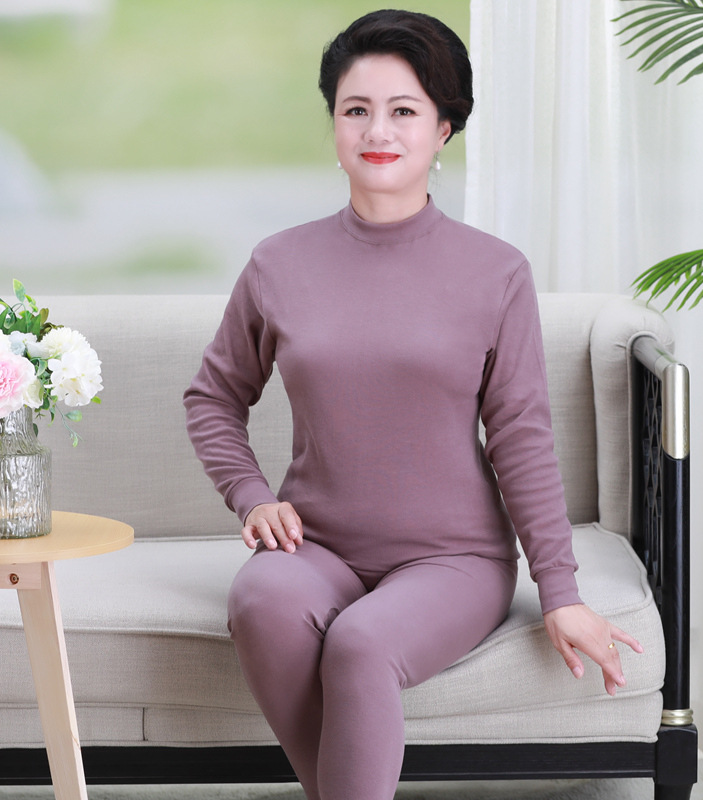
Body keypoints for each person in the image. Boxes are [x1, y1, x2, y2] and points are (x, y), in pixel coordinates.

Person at [184, 9, 643, 800]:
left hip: (454, 559)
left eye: (404, 110)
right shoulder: (278, 264)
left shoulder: (495, 272)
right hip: (318, 545)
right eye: (355, 109)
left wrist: (561, 592)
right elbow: (213, 397)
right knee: (260, 598)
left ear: (444, 128)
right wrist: (252, 496)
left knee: (362, 643)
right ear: (333, 124)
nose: (377, 131)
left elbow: (521, 437)